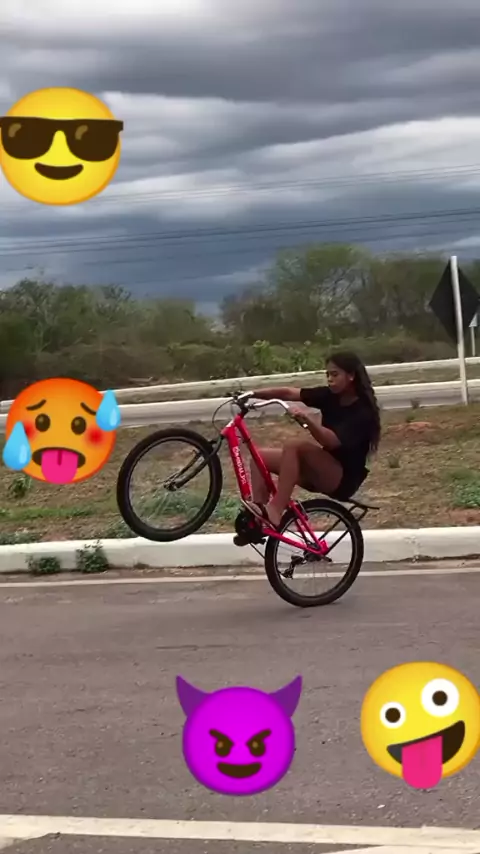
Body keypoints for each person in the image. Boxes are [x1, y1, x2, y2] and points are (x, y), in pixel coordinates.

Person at [242, 350, 381, 531]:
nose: (330, 379)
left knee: (295, 445)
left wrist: (308, 421)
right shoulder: (329, 395)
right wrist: (251, 393)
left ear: (351, 376)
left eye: (335, 374)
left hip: (342, 478)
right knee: (259, 458)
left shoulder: (362, 411)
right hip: (321, 468)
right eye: (327, 375)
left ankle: (276, 509)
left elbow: (331, 441)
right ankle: (259, 520)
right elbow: (288, 393)